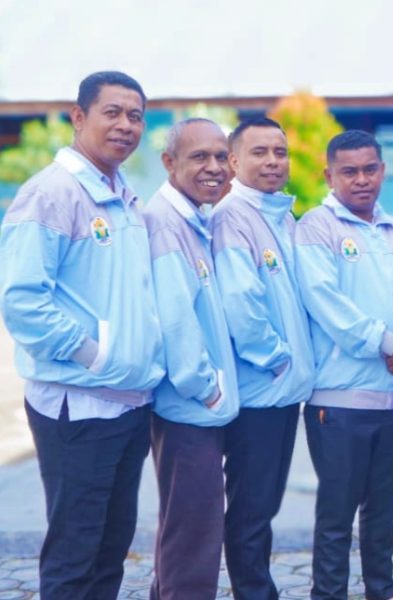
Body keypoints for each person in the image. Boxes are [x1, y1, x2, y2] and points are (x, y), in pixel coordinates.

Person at [0, 71, 164, 599]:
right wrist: (95, 356)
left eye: (135, 116)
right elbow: (23, 300)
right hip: (79, 404)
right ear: (78, 117)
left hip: (127, 402)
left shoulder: (124, 197)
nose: (125, 125)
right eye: (112, 112)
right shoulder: (51, 193)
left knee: (110, 548)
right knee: (75, 553)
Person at [296, 130, 393, 600]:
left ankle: (383, 589)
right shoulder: (316, 228)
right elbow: (327, 304)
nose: (361, 179)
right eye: (349, 171)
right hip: (339, 405)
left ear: (383, 170)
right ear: (329, 175)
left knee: (383, 512)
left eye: (370, 169)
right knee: (337, 514)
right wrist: (391, 344)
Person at [212, 116, 315, 599]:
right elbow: (241, 304)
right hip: (260, 391)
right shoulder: (233, 217)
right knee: (252, 509)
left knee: (263, 505)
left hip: (281, 391)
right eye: (260, 152)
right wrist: (279, 360)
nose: (273, 161)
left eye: (280, 151)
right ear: (234, 161)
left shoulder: (281, 217)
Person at [143, 118, 240, 599]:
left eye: (221, 156)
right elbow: (176, 319)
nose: (214, 167)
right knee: (195, 536)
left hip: (197, 405)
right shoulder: (166, 224)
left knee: (184, 529)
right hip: (190, 406)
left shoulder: (193, 218)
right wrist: (206, 387)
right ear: (169, 162)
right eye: (200, 157)